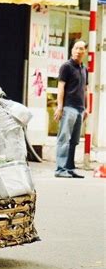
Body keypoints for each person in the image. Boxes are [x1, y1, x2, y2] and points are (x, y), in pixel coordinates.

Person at [53, 39, 88, 178]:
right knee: (64, 138)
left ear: (84, 52)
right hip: (68, 107)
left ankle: (69, 168)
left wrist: (86, 108)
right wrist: (59, 107)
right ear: (72, 50)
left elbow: (85, 89)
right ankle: (60, 169)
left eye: (81, 49)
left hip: (80, 109)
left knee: (74, 141)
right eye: (76, 48)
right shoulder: (66, 67)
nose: (79, 51)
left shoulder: (84, 69)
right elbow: (60, 87)